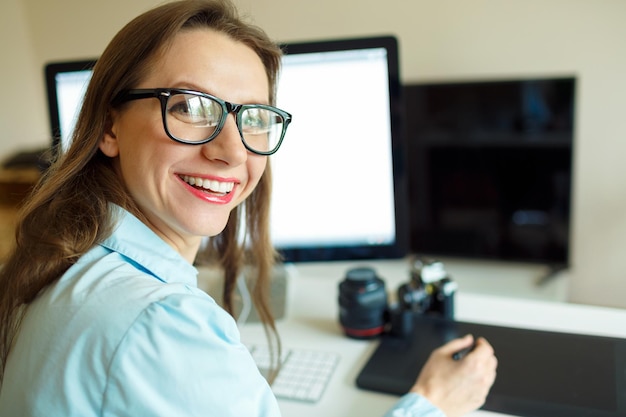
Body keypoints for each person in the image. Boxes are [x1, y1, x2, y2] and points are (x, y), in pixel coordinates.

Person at [0, 0, 497, 416]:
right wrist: (432, 402)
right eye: (191, 107)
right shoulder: (161, 321)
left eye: (254, 118)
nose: (233, 152)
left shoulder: (62, 261)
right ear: (110, 127)